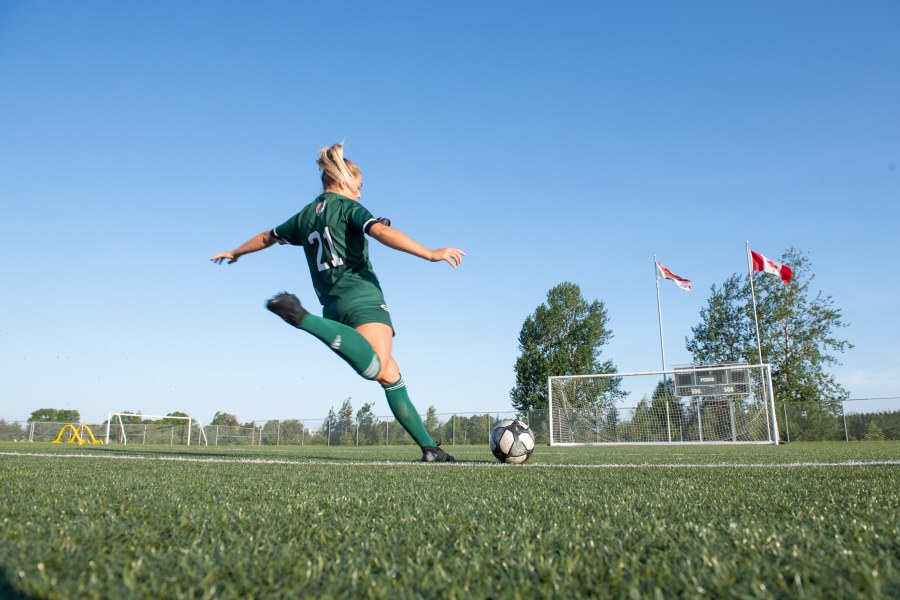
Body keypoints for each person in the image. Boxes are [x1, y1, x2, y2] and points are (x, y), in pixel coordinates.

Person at [210, 143, 465, 462]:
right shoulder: (350, 208)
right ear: (345, 183)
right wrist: (430, 253)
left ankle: (431, 449)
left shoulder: (306, 215)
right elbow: (380, 234)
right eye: (358, 187)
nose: (360, 194)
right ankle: (302, 318)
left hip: (333, 307)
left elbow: (267, 237)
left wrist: (235, 252)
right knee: (378, 367)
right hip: (363, 299)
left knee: (391, 376)